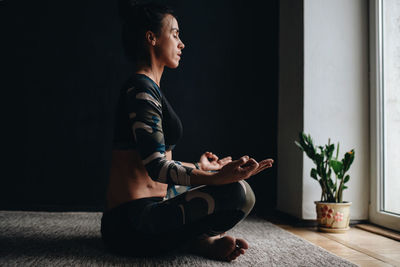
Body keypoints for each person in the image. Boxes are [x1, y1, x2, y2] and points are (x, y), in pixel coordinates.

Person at [101, 1, 274, 262]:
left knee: (234, 188)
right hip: (130, 223)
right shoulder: (140, 90)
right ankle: (198, 241)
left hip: (153, 205)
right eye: (174, 34)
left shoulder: (149, 89)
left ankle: (196, 242)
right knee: (240, 193)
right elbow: (157, 167)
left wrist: (208, 169)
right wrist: (216, 177)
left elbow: (156, 166)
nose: (181, 43)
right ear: (152, 38)